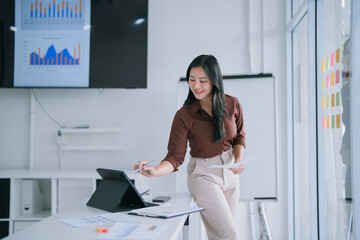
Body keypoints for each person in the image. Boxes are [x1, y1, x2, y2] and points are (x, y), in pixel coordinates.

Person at [134, 54, 246, 240]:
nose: (196, 86)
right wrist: (155, 171)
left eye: (203, 80)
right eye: (192, 80)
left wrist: (238, 160)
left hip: (230, 173)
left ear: (214, 80)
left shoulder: (232, 103)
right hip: (203, 175)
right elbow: (175, 157)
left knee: (221, 237)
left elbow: (239, 136)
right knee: (229, 235)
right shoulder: (184, 115)